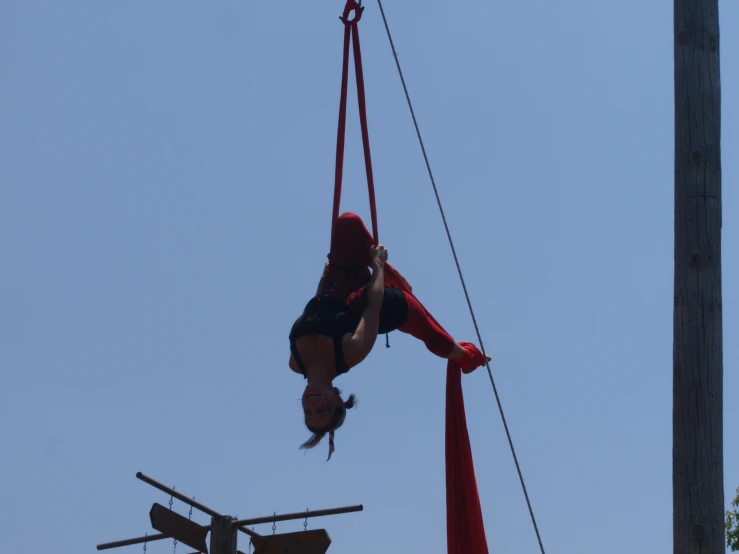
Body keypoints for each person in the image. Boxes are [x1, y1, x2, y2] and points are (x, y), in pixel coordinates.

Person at [289, 212, 489, 460]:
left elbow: (314, 307)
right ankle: (468, 358)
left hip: (341, 286)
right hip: (385, 306)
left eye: (308, 413)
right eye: (322, 411)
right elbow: (374, 304)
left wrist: (325, 275)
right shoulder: (352, 351)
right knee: (434, 337)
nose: (312, 406)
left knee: (347, 222)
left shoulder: (295, 362)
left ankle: (378, 269)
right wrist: (379, 265)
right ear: (337, 401)